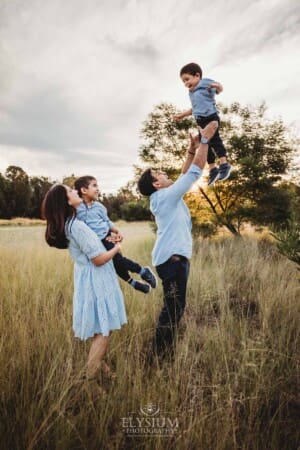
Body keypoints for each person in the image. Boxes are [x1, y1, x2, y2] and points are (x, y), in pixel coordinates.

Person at [137, 121, 217, 359]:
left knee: (175, 307)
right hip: (172, 263)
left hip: (175, 261)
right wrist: (205, 140)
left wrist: (191, 150)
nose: (164, 173)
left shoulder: (164, 196)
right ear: (156, 184)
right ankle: (158, 357)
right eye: (159, 173)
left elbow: (184, 174)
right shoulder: (163, 198)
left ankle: (162, 352)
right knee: (172, 309)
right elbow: (194, 172)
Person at [42, 184, 127, 379]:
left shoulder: (72, 222)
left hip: (90, 279)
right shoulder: (77, 226)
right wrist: (117, 248)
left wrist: (109, 235)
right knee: (104, 331)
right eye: (70, 191)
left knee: (102, 327)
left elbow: (93, 243)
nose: (75, 191)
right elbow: (97, 259)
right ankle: (91, 380)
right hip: (96, 280)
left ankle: (103, 369)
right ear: (66, 201)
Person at [74, 176, 157, 294]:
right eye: (94, 185)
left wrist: (117, 232)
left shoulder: (99, 207)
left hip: (106, 238)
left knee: (118, 260)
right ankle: (135, 283)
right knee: (114, 265)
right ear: (84, 190)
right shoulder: (77, 208)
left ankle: (143, 272)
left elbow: (107, 222)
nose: (98, 189)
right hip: (92, 242)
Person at [174, 62, 232, 186]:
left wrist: (217, 86)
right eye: (183, 82)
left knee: (215, 140)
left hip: (210, 118)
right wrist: (182, 115)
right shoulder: (192, 92)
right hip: (200, 120)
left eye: (187, 79)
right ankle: (213, 170)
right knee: (204, 146)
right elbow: (194, 109)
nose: (185, 83)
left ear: (197, 75)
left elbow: (220, 89)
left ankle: (224, 164)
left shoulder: (204, 83)